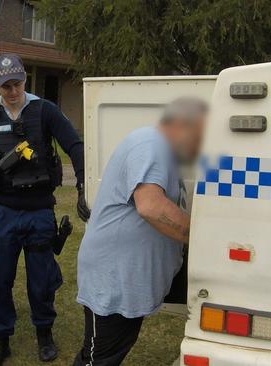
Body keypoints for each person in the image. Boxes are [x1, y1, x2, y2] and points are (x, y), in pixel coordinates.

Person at [0, 54, 90, 366]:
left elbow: (76, 146)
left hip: (39, 211)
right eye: (6, 86)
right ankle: (0, 340)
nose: (12, 91)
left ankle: (44, 333)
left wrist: (85, 187)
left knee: (42, 279)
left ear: (25, 81)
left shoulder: (44, 111)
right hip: (3, 210)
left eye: (17, 84)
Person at [73, 97, 207, 366]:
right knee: (98, 360)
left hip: (128, 278)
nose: (199, 147)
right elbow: (151, 206)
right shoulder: (151, 144)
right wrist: (204, 238)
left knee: (111, 352)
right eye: (198, 136)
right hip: (113, 279)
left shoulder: (161, 151)